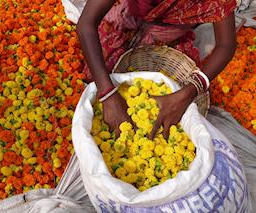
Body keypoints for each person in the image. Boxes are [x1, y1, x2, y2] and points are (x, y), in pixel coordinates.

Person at [76, 0, 237, 139]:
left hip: (170, 29)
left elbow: (226, 44)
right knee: (96, 72)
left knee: (171, 81)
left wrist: (189, 91)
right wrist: (107, 95)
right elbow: (86, 24)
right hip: (131, 12)